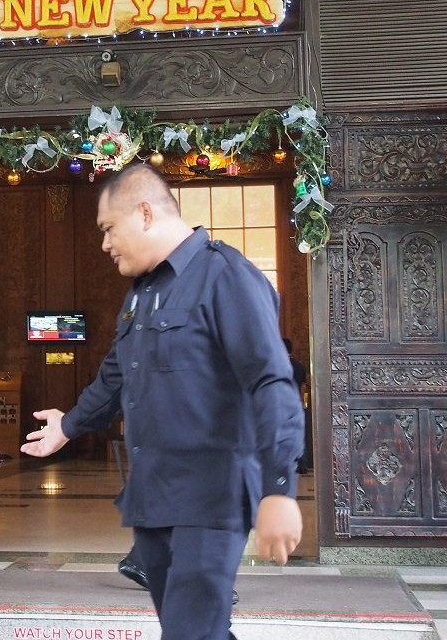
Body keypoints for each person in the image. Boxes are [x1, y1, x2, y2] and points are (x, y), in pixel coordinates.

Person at [21, 163, 304, 640]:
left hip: (211, 500)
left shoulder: (226, 276)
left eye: (110, 229)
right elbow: (116, 374)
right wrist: (68, 426)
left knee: (190, 633)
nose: (105, 244)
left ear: (145, 213)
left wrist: (279, 488)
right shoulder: (142, 294)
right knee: (194, 630)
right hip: (153, 501)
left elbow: (271, 383)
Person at [283, 337, 313, 474]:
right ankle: (302, 464)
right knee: (299, 435)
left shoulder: (278, 365)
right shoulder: (299, 365)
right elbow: (303, 386)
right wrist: (303, 404)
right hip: (297, 404)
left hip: (282, 404)